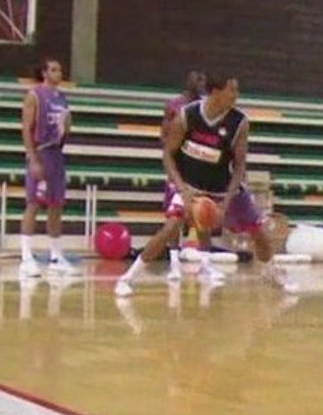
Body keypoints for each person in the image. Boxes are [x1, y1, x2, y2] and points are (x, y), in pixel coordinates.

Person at [116, 71, 295, 296]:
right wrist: (182, 189)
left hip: (223, 186)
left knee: (258, 232)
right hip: (190, 185)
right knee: (170, 228)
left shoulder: (239, 122)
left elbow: (240, 167)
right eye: (232, 90)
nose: (236, 95)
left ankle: (272, 273)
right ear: (216, 92)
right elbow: (168, 154)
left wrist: (225, 203)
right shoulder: (186, 115)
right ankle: (127, 278)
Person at [20, 57, 78, 278]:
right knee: (34, 203)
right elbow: (26, 128)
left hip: (56, 153)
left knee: (56, 205)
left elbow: (65, 127)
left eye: (60, 69)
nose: (58, 73)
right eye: (54, 69)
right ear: (44, 73)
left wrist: (66, 128)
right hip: (40, 151)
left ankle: (56, 257)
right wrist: (33, 158)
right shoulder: (34, 95)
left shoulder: (62, 98)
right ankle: (26, 258)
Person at [162, 70, 206, 281]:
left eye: (203, 79)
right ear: (188, 81)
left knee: (204, 214)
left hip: (200, 166)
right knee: (175, 215)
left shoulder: (207, 108)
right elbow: (164, 134)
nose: (200, 82)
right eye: (197, 78)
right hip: (179, 166)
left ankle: (205, 264)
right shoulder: (174, 105)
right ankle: (173, 263)